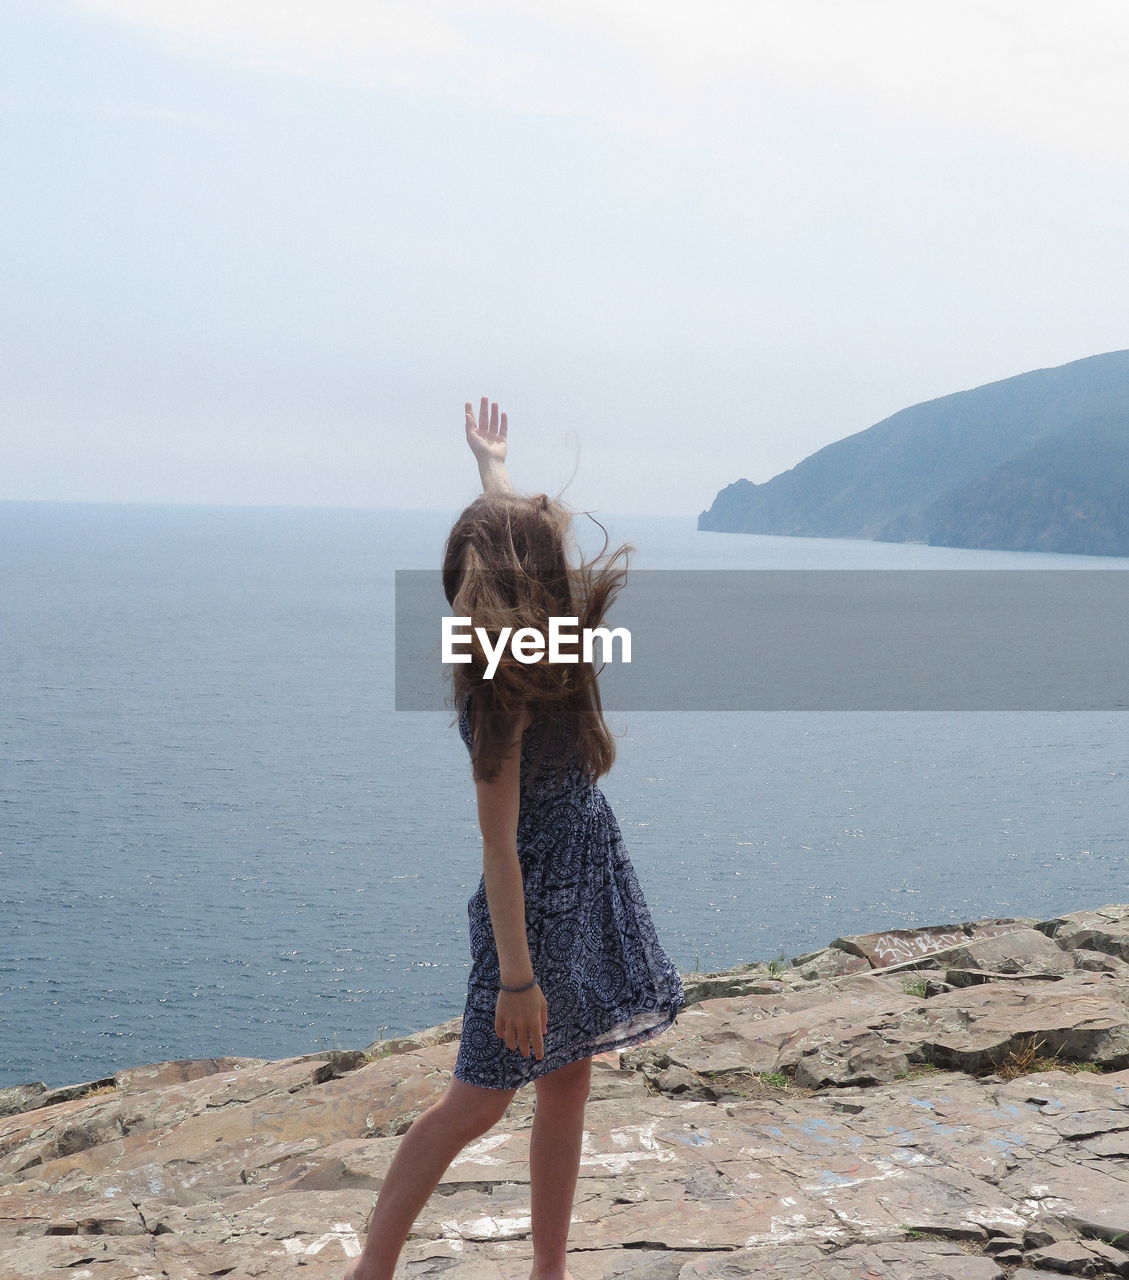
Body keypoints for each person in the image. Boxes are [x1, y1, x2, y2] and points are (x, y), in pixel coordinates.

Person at [343, 398, 685, 1280]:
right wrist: (517, 980)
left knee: (570, 1080)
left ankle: (549, 1271)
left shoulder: (552, 632)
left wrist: (491, 464)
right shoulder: (497, 686)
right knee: (475, 1105)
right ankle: (369, 1271)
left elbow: (523, 542)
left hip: (587, 880)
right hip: (528, 913)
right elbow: (499, 848)